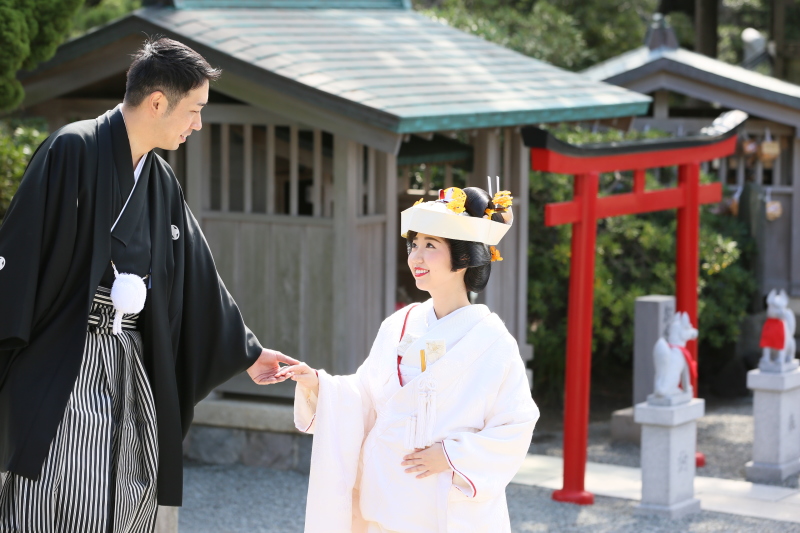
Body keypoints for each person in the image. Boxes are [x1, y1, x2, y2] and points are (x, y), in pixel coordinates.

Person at [0, 38, 296, 532]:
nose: (197, 124)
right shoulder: (72, 149)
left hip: (129, 361)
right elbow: (20, 254)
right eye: (195, 110)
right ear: (158, 102)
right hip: (66, 357)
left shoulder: (160, 181)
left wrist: (246, 353)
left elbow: (198, 274)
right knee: (61, 487)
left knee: (129, 490)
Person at [278, 186, 539, 532]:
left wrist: (452, 455)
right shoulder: (399, 324)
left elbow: (516, 423)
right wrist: (320, 386)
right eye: (414, 245)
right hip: (386, 493)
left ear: (463, 258)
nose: (416, 257)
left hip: (445, 501)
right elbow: (366, 396)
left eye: (430, 245)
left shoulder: (493, 342)